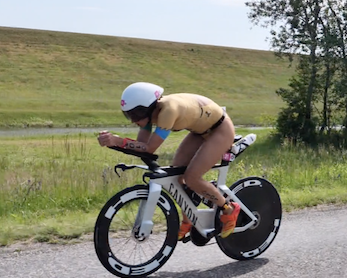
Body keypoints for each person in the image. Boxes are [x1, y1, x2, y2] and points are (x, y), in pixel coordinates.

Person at [97, 82, 240, 239]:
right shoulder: (150, 113)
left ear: (147, 109)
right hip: (200, 131)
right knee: (177, 177)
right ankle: (189, 220)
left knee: (192, 178)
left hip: (220, 130)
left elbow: (149, 148)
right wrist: (112, 141)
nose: (132, 120)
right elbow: (141, 147)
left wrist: (118, 141)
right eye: (129, 115)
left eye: (135, 115)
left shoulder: (168, 112)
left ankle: (229, 209)